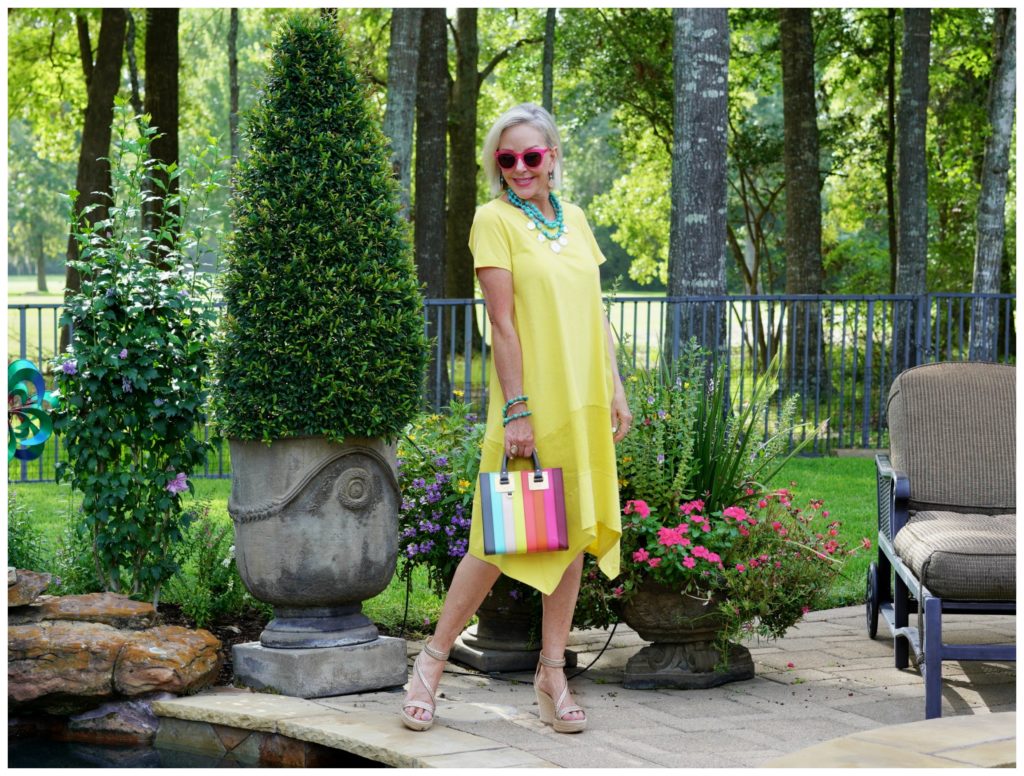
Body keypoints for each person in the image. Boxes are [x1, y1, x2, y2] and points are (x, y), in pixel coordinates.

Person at [400, 103, 631, 734]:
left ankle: (551, 674)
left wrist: (614, 388)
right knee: (497, 542)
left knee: (575, 532)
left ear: (553, 156)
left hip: (583, 401)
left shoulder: (577, 221)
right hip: (531, 403)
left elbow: (596, 312)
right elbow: (501, 323)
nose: (521, 168)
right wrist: (519, 408)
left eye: (532, 156)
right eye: (508, 159)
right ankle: (432, 660)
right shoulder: (492, 220)